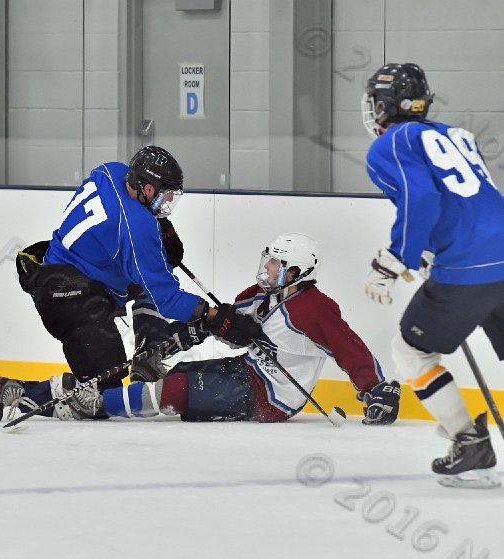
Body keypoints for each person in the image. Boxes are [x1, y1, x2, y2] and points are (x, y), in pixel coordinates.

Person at [0, 145, 260, 421]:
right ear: (147, 188)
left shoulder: (111, 171)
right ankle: (7, 390)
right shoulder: (138, 228)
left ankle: (148, 353)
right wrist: (212, 317)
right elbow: (167, 299)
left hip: (61, 270)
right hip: (70, 302)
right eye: (165, 195)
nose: (169, 202)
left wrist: (160, 232)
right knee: (100, 396)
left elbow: (121, 221)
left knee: (153, 275)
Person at [72, 233, 399, 425]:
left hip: (270, 398)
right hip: (246, 371)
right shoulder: (259, 296)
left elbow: (347, 347)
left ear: (296, 271)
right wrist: (185, 337)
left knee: (178, 391)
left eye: (276, 264)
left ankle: (98, 403)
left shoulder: (314, 308)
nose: (267, 268)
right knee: (179, 372)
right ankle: (107, 398)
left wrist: (375, 389)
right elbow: (222, 321)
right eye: (268, 260)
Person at [362, 62, 504, 488]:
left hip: (467, 264)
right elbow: (473, 199)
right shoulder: (455, 135)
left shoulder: (389, 143)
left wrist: (394, 261)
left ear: (383, 105)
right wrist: (429, 248)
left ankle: (470, 444)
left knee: (411, 352)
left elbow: (421, 200)